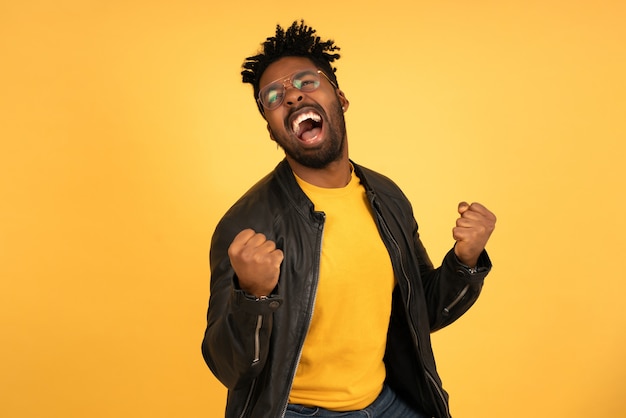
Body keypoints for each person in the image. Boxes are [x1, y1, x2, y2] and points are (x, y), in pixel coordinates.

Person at [201, 20, 496, 418]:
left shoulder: (386, 198)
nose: (291, 96)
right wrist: (252, 295)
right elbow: (229, 368)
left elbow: (421, 312)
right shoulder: (248, 223)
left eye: (307, 82)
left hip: (385, 401)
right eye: (273, 96)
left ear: (339, 98)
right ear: (271, 130)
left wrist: (465, 262)